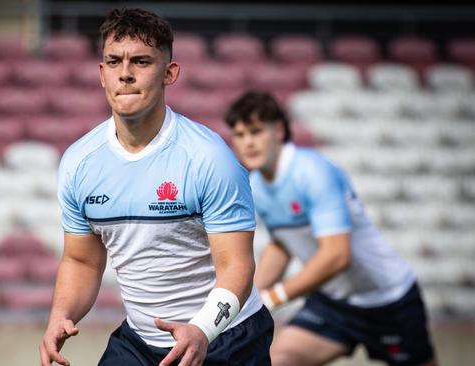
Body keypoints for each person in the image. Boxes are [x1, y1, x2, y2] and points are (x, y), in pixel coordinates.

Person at [39, 8, 273, 366]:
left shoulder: (208, 158)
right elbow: (82, 261)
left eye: (141, 61)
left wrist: (202, 330)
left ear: (170, 73)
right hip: (140, 342)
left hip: (224, 338)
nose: (126, 74)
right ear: (102, 74)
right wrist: (60, 315)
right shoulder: (78, 162)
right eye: (114, 62)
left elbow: (237, 268)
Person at [224, 90, 437, 366]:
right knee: (277, 360)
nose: (248, 142)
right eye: (240, 135)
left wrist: (275, 296)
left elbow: (337, 255)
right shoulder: (257, 185)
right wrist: (244, 302)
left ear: (278, 130)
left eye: (255, 132)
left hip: (389, 301)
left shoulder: (312, 172)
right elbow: (283, 244)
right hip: (334, 303)